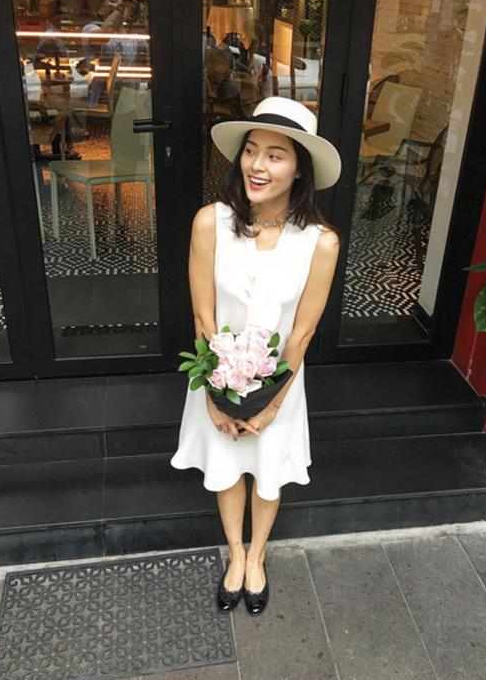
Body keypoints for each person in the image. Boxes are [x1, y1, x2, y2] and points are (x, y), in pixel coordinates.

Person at [170, 96, 342, 615]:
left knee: (267, 471)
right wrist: (215, 396)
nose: (257, 165)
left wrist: (269, 406)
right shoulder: (210, 222)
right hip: (216, 376)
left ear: (299, 169)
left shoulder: (320, 242)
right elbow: (203, 317)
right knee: (226, 466)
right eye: (251, 151)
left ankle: (258, 556)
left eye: (275, 155)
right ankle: (235, 553)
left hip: (281, 383)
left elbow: (302, 334)